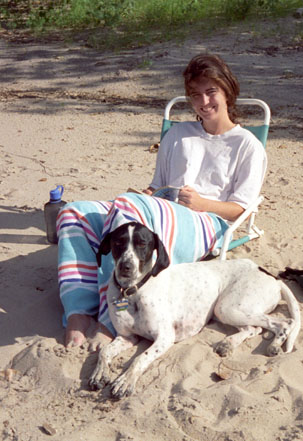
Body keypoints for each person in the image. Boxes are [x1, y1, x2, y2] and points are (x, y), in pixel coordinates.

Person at [57, 53, 267, 348]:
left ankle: (109, 317)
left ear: (227, 91)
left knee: (127, 205)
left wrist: (203, 204)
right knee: (73, 212)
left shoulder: (247, 145)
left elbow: (241, 209)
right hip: (161, 212)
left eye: (211, 92)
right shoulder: (178, 134)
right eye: (195, 95)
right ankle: (78, 309)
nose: (203, 102)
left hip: (207, 223)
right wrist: (147, 195)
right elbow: (156, 186)